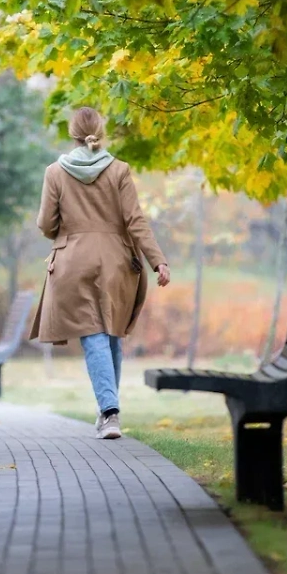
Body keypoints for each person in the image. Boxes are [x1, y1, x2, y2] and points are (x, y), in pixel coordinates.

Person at [31, 107, 170, 439]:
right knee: (110, 333)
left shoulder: (55, 172)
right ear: (101, 133)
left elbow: (46, 224)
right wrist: (158, 260)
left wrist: (69, 230)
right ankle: (109, 411)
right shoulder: (119, 170)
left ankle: (109, 412)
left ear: (73, 134)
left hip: (73, 263)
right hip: (116, 263)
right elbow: (135, 221)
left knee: (95, 333)